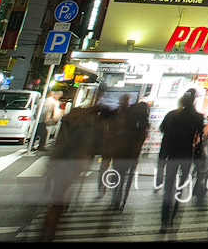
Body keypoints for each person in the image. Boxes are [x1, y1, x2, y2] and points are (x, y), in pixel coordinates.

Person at [43, 100, 100, 239]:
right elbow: (85, 148)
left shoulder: (69, 120)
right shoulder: (88, 125)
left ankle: (49, 228)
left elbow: (59, 143)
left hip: (58, 161)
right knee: (60, 198)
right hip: (71, 163)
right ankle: (50, 229)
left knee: (57, 196)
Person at [158, 89, 206, 232]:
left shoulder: (172, 115)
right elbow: (200, 139)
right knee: (180, 188)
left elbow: (162, 129)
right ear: (194, 101)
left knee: (168, 188)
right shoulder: (198, 117)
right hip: (187, 155)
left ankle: (164, 221)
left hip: (172, 154)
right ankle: (173, 218)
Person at [107, 97, 150, 210]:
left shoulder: (127, 116)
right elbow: (141, 139)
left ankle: (115, 199)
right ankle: (123, 201)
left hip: (120, 151)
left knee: (117, 175)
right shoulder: (143, 124)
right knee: (128, 177)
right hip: (132, 154)